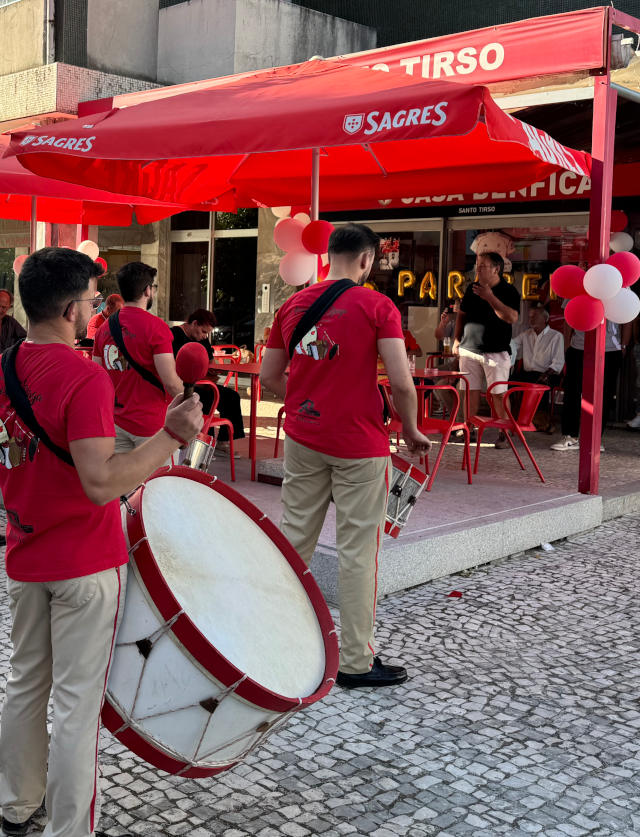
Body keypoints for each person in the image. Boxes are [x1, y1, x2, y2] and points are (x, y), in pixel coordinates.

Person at [0, 247, 202, 837]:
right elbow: (101, 482)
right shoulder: (82, 377)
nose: (94, 310)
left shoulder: (6, 364)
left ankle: (15, 805)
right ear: (67, 308)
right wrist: (171, 436)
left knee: (25, 684)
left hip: (27, 548)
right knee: (77, 705)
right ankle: (70, 829)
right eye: (89, 301)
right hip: (85, 563)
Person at [260, 223, 430, 690]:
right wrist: (412, 428)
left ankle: (273, 641)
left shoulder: (292, 304)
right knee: (358, 553)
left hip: (303, 436)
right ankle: (355, 661)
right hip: (359, 445)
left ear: (329, 255)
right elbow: (400, 381)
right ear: (367, 260)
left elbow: (270, 376)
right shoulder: (378, 306)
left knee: (293, 540)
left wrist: (308, 399)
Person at [93, 262, 183, 452]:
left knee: (121, 481)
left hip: (114, 423)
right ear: (147, 290)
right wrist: (190, 402)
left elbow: (97, 378)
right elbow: (171, 383)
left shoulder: (104, 329)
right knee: (155, 481)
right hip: (151, 424)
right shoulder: (157, 328)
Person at [453, 252, 521, 448]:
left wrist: (490, 297)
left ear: (496, 269)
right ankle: (469, 429)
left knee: (498, 394)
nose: (478, 269)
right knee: (469, 391)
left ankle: (504, 432)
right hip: (469, 349)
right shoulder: (471, 289)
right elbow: (462, 315)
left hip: (496, 351)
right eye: (477, 264)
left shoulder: (508, 291)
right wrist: (457, 341)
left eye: (483, 265)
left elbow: (511, 317)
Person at [170, 309, 245, 452]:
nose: (205, 336)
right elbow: (171, 365)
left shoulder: (203, 339)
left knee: (232, 397)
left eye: (207, 333)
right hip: (184, 385)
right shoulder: (174, 335)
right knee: (208, 399)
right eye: (203, 331)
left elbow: (211, 361)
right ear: (194, 323)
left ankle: (223, 441)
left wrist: (213, 369)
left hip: (204, 383)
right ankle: (203, 442)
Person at [550, 318, 630, 452]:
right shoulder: (577, 295)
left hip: (610, 348)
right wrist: (567, 346)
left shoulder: (617, 296)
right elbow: (569, 317)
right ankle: (570, 436)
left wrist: (623, 346)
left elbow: (627, 319)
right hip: (578, 346)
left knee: (604, 394)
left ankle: (595, 438)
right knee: (572, 391)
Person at [511, 306, 565, 426]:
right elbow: (512, 344)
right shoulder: (526, 334)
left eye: (534, 316)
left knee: (540, 384)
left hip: (548, 373)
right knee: (508, 383)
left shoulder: (556, 336)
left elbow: (558, 362)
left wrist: (546, 374)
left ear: (545, 319)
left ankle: (541, 421)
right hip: (528, 373)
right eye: (530, 317)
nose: (531, 319)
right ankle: (513, 415)